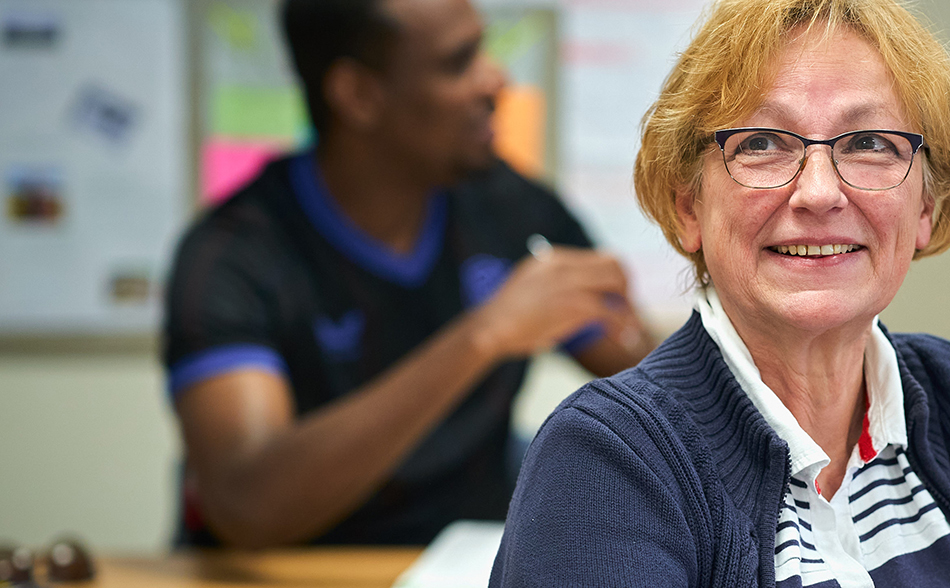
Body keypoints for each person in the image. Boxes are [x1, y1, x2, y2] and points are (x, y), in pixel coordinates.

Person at [489, 0, 950, 586]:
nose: (819, 191)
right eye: (762, 144)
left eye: (870, 145)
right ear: (687, 208)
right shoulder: (609, 461)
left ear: (926, 208)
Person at [162, 0, 654, 547]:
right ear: (358, 95)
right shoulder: (235, 255)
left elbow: (655, 377)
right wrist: (482, 337)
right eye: (458, 62)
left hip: (467, 562)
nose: (495, 80)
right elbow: (247, 506)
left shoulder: (511, 208)